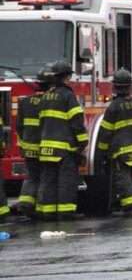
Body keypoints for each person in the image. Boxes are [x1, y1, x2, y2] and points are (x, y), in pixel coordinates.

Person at [97, 69, 132, 216]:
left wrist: (102, 153)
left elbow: (105, 133)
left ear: (114, 87)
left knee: (123, 178)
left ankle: (129, 208)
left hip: (122, 152)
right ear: (130, 86)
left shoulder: (113, 108)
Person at [37, 59, 88, 220]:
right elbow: (76, 122)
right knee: (66, 181)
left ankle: (49, 213)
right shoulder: (67, 96)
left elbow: (41, 121)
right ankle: (66, 213)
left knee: (49, 181)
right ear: (67, 77)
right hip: (64, 149)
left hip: (45, 148)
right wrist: (83, 142)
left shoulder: (45, 96)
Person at [14, 66, 54, 217]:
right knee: (45, 177)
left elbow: (18, 125)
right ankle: (41, 207)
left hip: (28, 147)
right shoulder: (49, 102)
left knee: (31, 176)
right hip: (44, 147)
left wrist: (24, 142)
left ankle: (25, 203)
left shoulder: (25, 102)